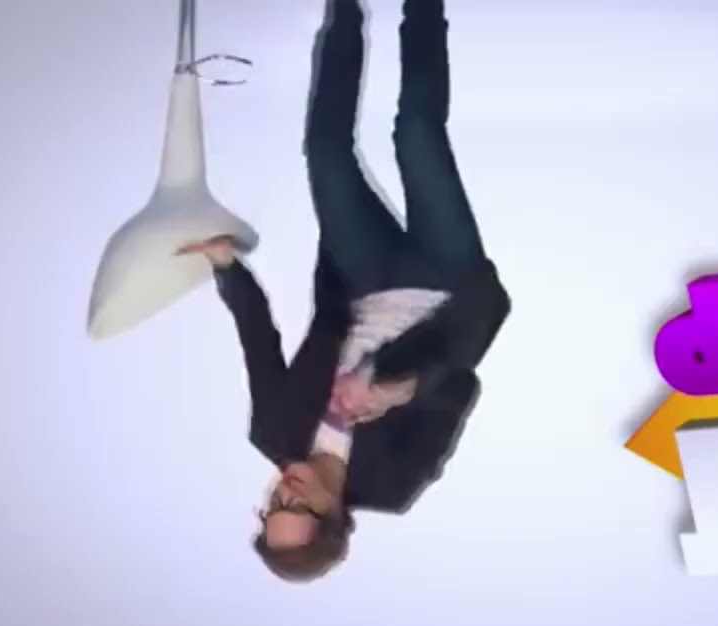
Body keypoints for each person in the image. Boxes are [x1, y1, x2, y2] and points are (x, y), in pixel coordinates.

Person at [178, 0, 509, 583]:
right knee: (416, 133)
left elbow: (258, 340)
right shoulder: (391, 485)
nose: (283, 490)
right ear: (332, 518)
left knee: (326, 152)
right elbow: (461, 386)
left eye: (271, 506)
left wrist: (228, 268)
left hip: (362, 280)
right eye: (297, 507)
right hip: (448, 288)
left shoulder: (274, 433)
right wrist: (394, 391)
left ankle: (344, 12)